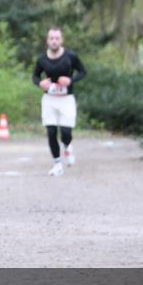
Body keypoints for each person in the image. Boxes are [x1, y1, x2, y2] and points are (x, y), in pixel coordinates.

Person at [31, 27, 87, 176]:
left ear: (61, 40)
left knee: (66, 133)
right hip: (49, 99)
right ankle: (57, 164)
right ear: (47, 41)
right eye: (51, 38)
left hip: (66, 99)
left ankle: (67, 146)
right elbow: (35, 76)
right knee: (51, 132)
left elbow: (83, 72)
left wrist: (70, 80)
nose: (54, 41)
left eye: (57, 38)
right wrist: (40, 83)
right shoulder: (42, 59)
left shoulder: (70, 56)